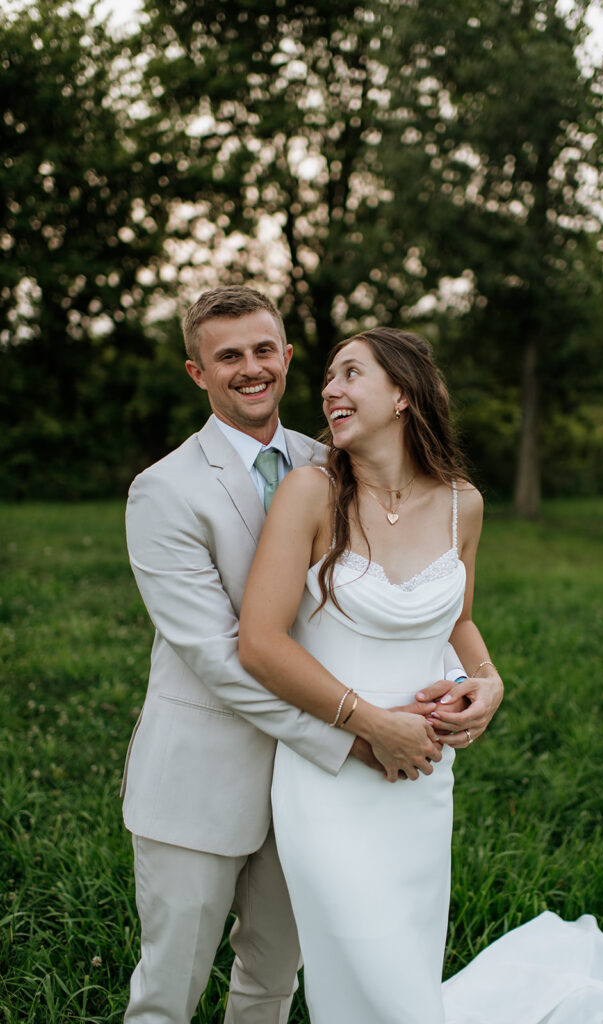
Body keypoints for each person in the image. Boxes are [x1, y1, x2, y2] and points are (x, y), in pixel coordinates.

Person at [239, 327, 603, 1024]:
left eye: (351, 374)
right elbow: (260, 644)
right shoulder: (309, 492)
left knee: (407, 961)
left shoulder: (461, 505)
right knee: (359, 958)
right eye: (328, 377)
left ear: (402, 396)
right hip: (330, 776)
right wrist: (372, 721)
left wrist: (490, 681)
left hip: (423, 777)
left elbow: (456, 618)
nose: (329, 389)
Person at [121, 288, 502, 1024]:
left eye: (265, 350)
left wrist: (477, 682)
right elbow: (224, 656)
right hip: (210, 770)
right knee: (171, 991)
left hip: (324, 789)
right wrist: (358, 734)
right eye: (228, 356)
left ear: (287, 358)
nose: (251, 368)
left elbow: (413, 607)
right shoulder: (163, 491)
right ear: (198, 372)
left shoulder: (333, 462)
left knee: (273, 980)